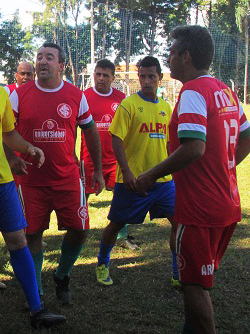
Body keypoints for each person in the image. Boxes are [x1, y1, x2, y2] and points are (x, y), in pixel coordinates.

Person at [135, 26, 250, 334]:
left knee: (194, 285)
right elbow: (247, 136)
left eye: (171, 52)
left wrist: (150, 175)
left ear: (186, 57)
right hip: (227, 204)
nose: (168, 58)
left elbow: (194, 148)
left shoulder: (193, 92)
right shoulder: (225, 90)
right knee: (200, 280)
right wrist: (225, 167)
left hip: (200, 210)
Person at [0, 35, 66, 329]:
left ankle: (36, 309)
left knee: (18, 240)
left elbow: (8, 134)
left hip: (2, 180)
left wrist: (27, 148)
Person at [9, 42, 104, 305]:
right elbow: (3, 131)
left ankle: (62, 275)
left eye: (49, 57)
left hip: (67, 178)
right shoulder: (19, 94)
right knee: (32, 234)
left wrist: (96, 170)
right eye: (39, 57)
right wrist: (10, 159)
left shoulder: (76, 95)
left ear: (61, 65)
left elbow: (91, 131)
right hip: (30, 180)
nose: (42, 61)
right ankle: (36, 288)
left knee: (80, 230)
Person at [95, 56, 177, 287]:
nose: (147, 81)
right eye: (142, 76)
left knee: (179, 224)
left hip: (163, 181)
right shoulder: (129, 105)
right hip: (133, 181)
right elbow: (116, 139)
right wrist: (126, 171)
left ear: (160, 78)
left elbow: (169, 144)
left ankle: (177, 271)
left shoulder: (166, 107)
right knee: (116, 224)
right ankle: (102, 263)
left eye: (152, 76)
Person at [81, 60, 137, 249]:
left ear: (113, 78)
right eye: (98, 74)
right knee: (83, 197)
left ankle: (122, 236)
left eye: (105, 75)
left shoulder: (121, 98)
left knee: (121, 197)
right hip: (89, 158)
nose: (101, 78)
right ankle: (80, 233)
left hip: (115, 160)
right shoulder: (84, 97)